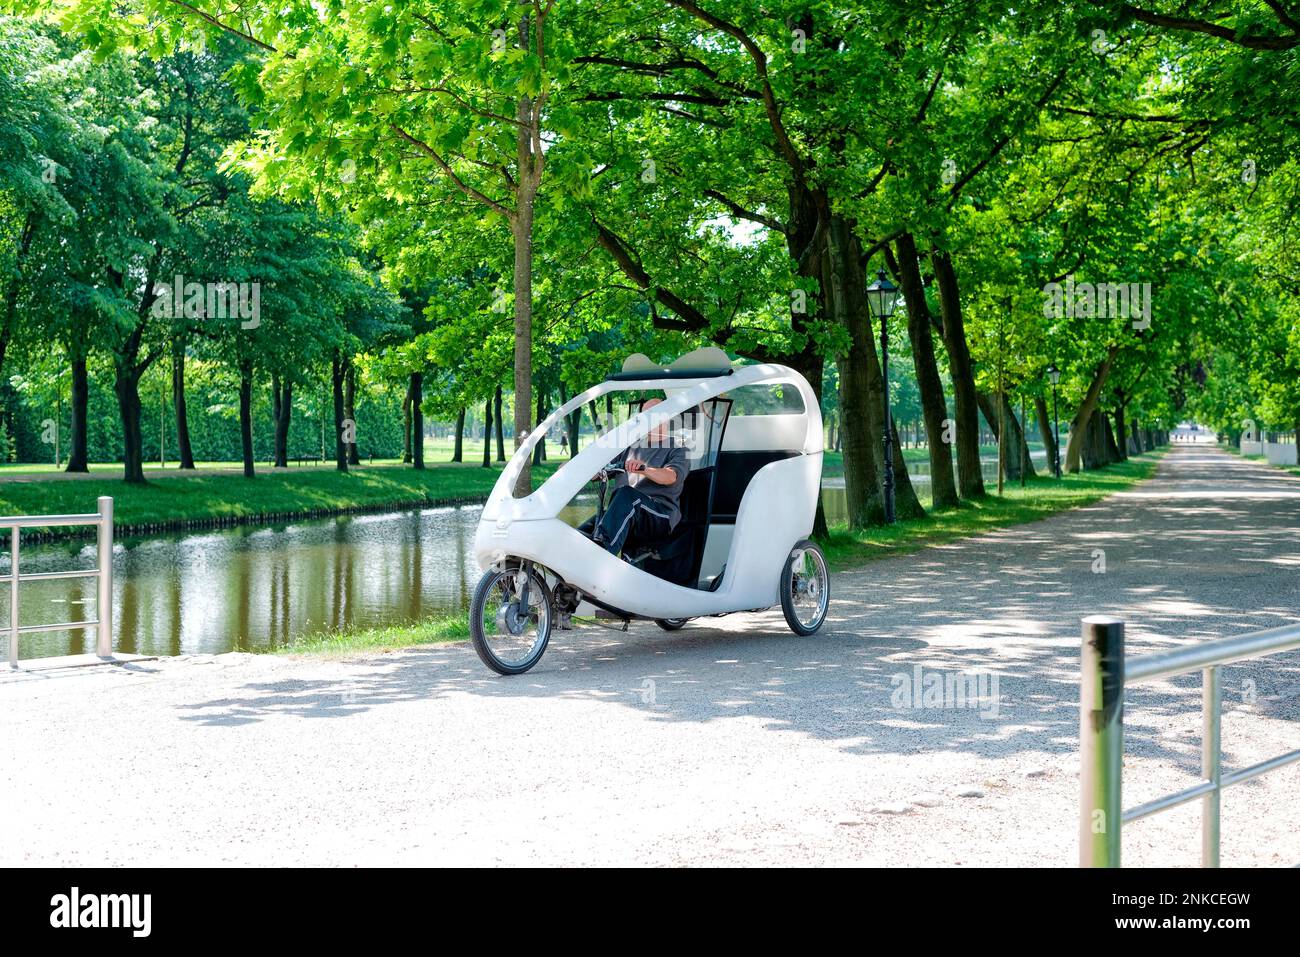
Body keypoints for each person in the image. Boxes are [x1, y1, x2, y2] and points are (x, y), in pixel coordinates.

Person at [584, 397, 689, 556]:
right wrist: (578, 468)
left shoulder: (678, 448)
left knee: (627, 495)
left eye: (652, 414)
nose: (646, 419)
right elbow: (600, 471)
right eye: (643, 415)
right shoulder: (630, 448)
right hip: (628, 510)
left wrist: (644, 469)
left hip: (660, 516)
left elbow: (671, 476)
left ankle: (601, 554)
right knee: (584, 532)